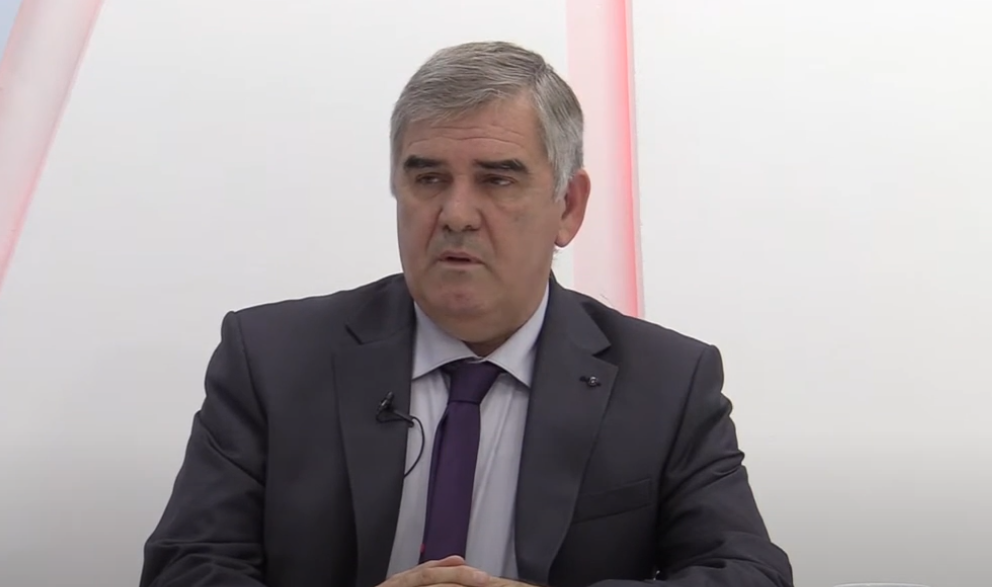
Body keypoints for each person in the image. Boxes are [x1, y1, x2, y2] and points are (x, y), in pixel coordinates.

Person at [139, 41, 793, 587]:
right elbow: (185, 568)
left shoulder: (668, 381)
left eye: (496, 179)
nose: (455, 214)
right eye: (427, 179)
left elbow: (749, 574)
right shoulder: (271, 358)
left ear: (568, 207)